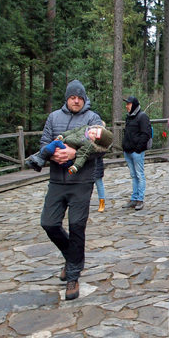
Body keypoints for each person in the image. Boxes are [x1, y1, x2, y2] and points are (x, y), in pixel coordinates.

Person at [39, 80, 102, 301]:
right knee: (49, 223)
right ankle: (71, 256)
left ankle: (73, 276)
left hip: (82, 181)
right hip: (57, 181)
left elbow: (102, 146)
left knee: (76, 227)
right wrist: (51, 155)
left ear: (84, 99)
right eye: (72, 97)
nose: (76, 100)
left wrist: (74, 153)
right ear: (67, 98)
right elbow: (44, 142)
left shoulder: (92, 119)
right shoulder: (54, 118)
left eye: (80, 97)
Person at [25, 124, 112, 174]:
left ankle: (41, 159)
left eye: (94, 135)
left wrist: (75, 165)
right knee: (52, 147)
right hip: (57, 168)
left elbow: (82, 156)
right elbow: (71, 131)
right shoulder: (83, 129)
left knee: (55, 143)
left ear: (95, 142)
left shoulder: (88, 145)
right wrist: (62, 135)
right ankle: (37, 163)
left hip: (68, 162)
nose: (92, 132)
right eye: (95, 130)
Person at [122, 95, 151, 211]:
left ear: (133, 105)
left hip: (136, 152)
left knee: (139, 175)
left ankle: (140, 199)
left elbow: (145, 134)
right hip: (128, 151)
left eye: (128, 104)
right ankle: (134, 198)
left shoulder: (142, 117)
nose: (126, 106)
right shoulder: (129, 117)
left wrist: (138, 149)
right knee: (134, 176)